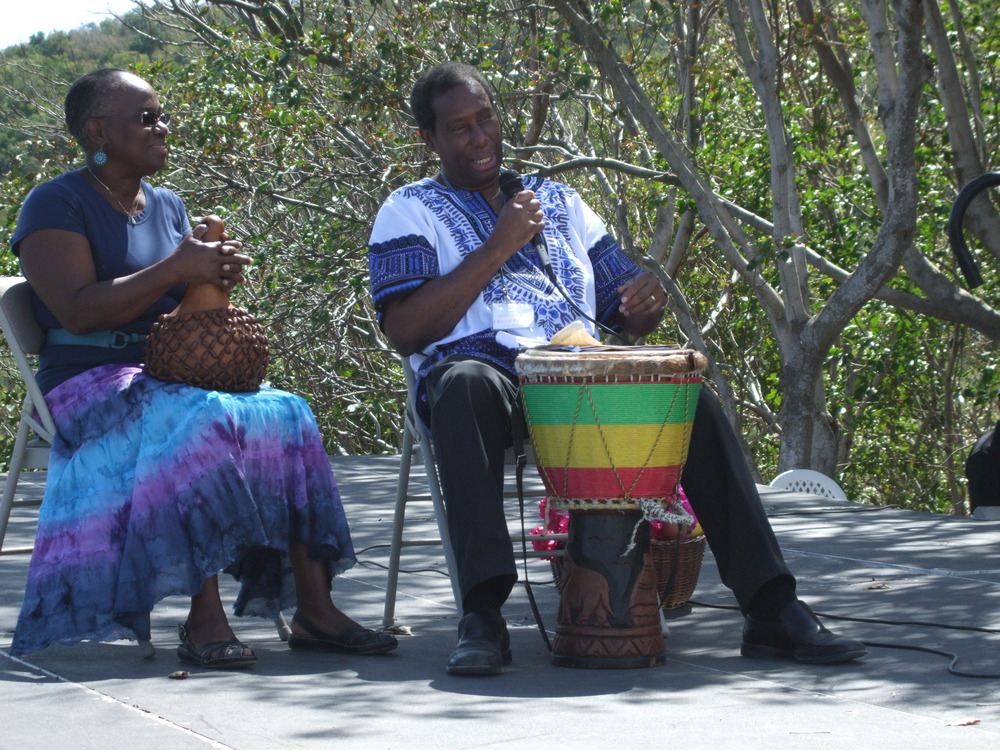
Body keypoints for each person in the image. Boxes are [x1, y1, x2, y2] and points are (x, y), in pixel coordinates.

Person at [368, 62, 866, 676]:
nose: (479, 138)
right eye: (459, 128)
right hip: (485, 381)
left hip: (580, 380)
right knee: (462, 385)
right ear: (431, 140)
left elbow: (622, 308)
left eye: (486, 119)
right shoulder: (409, 208)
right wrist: (498, 246)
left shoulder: (558, 202)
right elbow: (405, 330)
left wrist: (641, 304)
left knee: (691, 402)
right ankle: (483, 616)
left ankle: (771, 607)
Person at [8, 68, 397, 667]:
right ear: (98, 130)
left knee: (287, 410)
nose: (163, 127)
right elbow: (75, 311)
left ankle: (316, 608)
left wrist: (209, 279)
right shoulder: (56, 202)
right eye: (146, 117)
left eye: (162, 115)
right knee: (198, 415)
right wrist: (175, 270)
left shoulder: (166, 205)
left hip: (165, 374)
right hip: (83, 384)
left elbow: (179, 307)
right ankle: (204, 617)